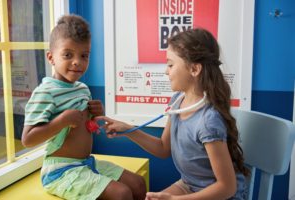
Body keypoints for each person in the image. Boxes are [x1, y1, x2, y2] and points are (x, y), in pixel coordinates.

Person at [97, 28, 250, 200]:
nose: (166, 71)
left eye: (170, 65)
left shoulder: (208, 122)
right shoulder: (178, 101)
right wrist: (129, 130)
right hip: (190, 185)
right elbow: (163, 148)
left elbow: (227, 187)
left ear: (194, 69)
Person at [21, 14, 146, 200]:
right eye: (67, 55)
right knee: (122, 194)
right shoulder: (46, 92)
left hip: (85, 162)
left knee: (138, 184)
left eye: (84, 55)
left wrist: (96, 116)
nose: (77, 61)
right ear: (51, 57)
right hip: (59, 171)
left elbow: (88, 127)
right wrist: (62, 121)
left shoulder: (82, 89)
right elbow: (27, 139)